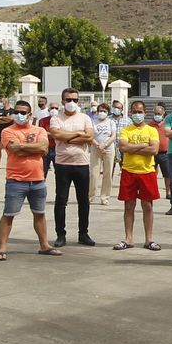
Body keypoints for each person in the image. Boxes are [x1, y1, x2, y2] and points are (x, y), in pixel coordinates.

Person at [0, 99, 59, 259]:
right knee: (9, 214)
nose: (19, 115)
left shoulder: (39, 130)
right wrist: (34, 148)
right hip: (15, 180)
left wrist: (22, 146)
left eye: (22, 112)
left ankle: (44, 245)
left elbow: (43, 147)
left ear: (30, 115)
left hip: (38, 180)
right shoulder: (7, 131)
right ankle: (2, 248)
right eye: (16, 112)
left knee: (39, 214)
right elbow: (14, 150)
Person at [46, 88, 95, 247]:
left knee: (83, 201)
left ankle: (83, 233)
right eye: (68, 100)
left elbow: (89, 137)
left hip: (82, 164)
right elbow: (57, 135)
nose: (72, 103)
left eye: (75, 100)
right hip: (62, 164)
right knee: (61, 200)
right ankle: (60, 234)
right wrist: (79, 134)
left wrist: (67, 137)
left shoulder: (85, 118)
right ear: (63, 101)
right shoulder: (56, 118)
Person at [115, 100, 162, 251]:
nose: (137, 114)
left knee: (147, 206)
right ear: (130, 113)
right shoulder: (126, 130)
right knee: (129, 206)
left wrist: (132, 148)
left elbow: (154, 150)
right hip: (129, 171)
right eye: (134, 112)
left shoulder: (151, 130)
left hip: (147, 172)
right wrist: (143, 145)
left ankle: (149, 239)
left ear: (145, 113)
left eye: (140, 112)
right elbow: (123, 147)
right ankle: (128, 239)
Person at [90, 102, 119, 206]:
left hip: (108, 149)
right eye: (100, 111)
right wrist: (98, 145)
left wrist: (105, 145)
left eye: (104, 111)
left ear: (108, 112)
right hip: (95, 148)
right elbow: (90, 136)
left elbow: (113, 136)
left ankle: (105, 197)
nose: (102, 113)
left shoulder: (111, 122)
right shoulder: (93, 121)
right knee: (94, 173)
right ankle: (91, 196)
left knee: (108, 173)